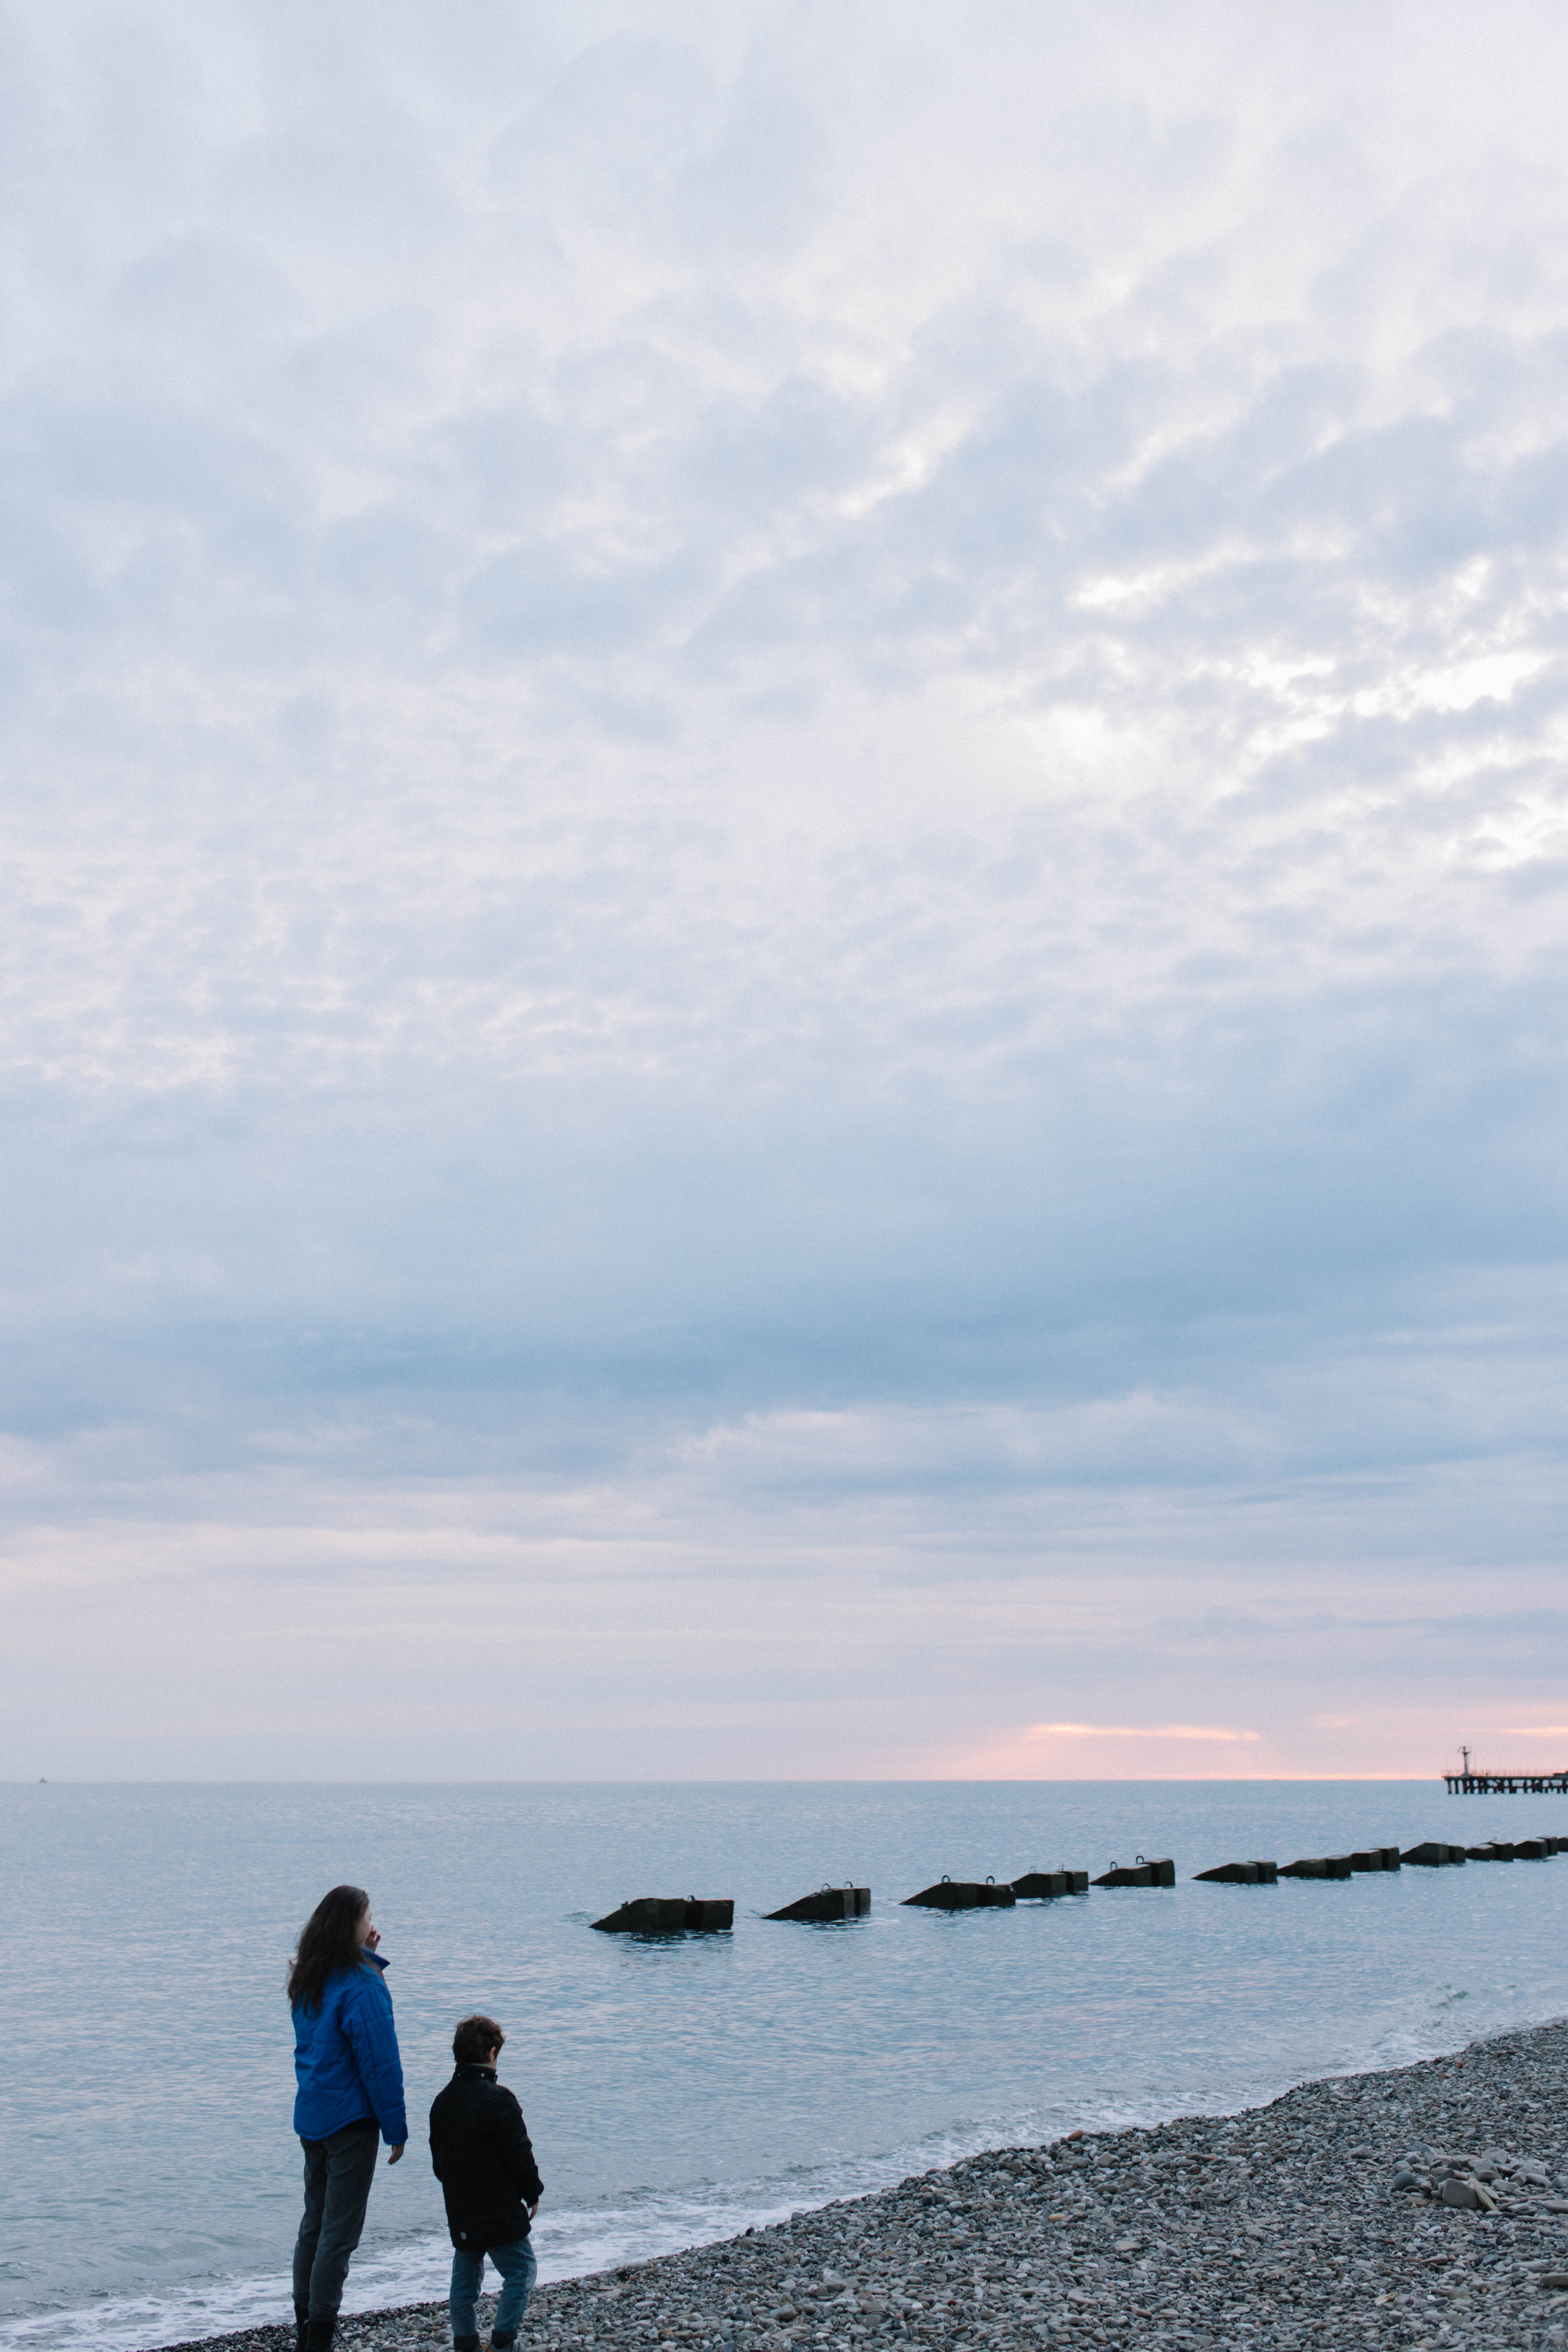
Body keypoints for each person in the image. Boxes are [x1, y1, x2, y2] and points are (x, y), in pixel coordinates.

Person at [287, 1885, 409, 2352]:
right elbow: (379, 2063)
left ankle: (306, 2324)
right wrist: (396, 2129)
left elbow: (328, 2042)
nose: (373, 1921)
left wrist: (367, 1959)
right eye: (368, 1915)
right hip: (351, 2122)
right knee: (338, 2234)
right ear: (350, 1925)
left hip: (313, 2116)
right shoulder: (362, 1984)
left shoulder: (310, 1977)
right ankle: (319, 2334)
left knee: (313, 2225)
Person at [429, 2014, 544, 2352]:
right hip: (498, 2206)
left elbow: (439, 2162)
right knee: (521, 2270)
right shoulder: (498, 2099)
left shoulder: (442, 2101)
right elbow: (518, 2152)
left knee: (465, 2279)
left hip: (460, 2203)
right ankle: (504, 2340)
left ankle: (465, 2342)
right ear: (492, 2053)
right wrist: (532, 2191)